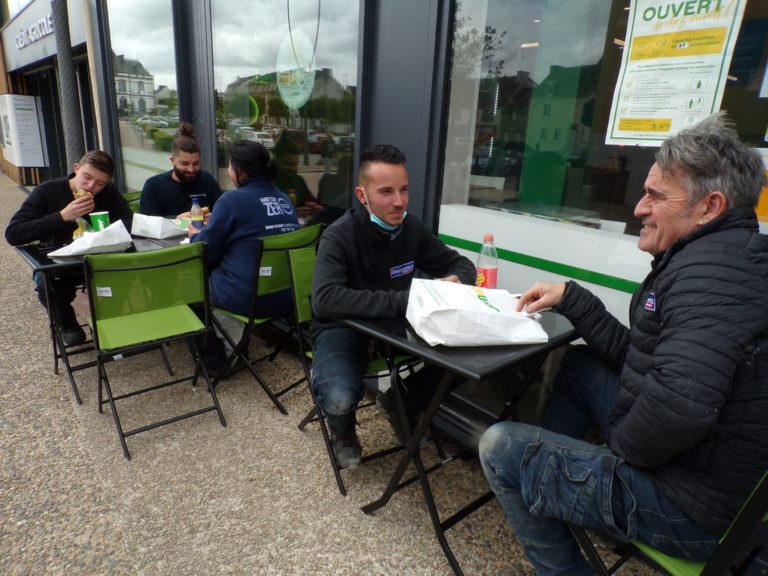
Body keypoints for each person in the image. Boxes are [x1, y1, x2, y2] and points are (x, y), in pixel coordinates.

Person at [479, 113, 768, 576]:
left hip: (692, 509)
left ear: (709, 207)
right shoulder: (722, 258)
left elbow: (680, 409)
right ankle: (562, 491)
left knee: (499, 448)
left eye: (656, 196)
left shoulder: (710, 278)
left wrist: (614, 452)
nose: (638, 208)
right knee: (578, 366)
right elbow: (643, 360)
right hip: (705, 471)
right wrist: (572, 298)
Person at [311, 144, 476, 468]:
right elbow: (326, 299)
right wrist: (409, 299)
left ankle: (402, 398)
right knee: (339, 397)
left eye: (404, 190)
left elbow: (462, 264)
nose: (399, 201)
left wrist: (456, 279)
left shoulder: (411, 229)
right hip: (344, 328)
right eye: (386, 192)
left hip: (396, 326)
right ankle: (343, 432)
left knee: (471, 356)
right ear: (362, 195)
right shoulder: (338, 236)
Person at [188, 139, 299, 373]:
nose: (228, 171)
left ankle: (217, 360)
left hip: (246, 300)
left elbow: (204, 251)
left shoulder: (231, 200)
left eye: (229, 165)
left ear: (239, 171)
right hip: (285, 297)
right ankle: (234, 340)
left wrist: (195, 234)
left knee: (188, 284)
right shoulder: (283, 199)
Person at [5, 151, 133, 346]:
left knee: (127, 272)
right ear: (76, 169)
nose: (91, 186)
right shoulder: (47, 191)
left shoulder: (108, 192)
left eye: (100, 183)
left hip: (99, 258)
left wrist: (108, 228)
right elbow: (14, 233)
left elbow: (129, 220)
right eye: (87, 177)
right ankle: (68, 324)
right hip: (59, 261)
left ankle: (103, 321)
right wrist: (62, 216)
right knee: (46, 286)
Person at [139, 122, 222, 218]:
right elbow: (147, 223)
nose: (191, 169)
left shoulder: (206, 180)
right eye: (185, 164)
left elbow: (223, 211)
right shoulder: (153, 186)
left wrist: (214, 217)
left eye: (196, 163)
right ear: (172, 160)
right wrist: (176, 220)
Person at [271, 133, 320, 219]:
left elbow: (309, 200)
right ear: (277, 161)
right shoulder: (266, 183)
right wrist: (293, 214)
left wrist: (313, 207)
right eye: (289, 164)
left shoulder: (298, 180)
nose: (293, 168)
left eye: (296, 164)